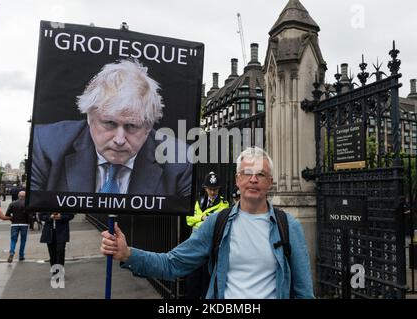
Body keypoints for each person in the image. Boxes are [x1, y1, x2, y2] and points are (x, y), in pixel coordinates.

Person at [100, 147, 314, 299]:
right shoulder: (217, 223)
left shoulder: (289, 227)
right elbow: (173, 264)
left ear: (270, 182)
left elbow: (304, 291)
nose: (253, 179)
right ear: (238, 179)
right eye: (247, 173)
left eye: (261, 174)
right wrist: (128, 253)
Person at [31, 58, 191, 197]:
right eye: (109, 123)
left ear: (148, 127)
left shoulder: (180, 160)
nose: (119, 140)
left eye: (131, 126)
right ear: (90, 117)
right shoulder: (46, 144)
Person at [185, 171, 229, 298]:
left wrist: (199, 218)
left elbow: (219, 221)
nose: (213, 192)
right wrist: (202, 217)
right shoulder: (198, 201)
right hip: (195, 243)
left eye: (215, 189)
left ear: (219, 189)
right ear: (205, 188)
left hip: (211, 244)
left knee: (207, 278)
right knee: (193, 277)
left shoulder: (223, 203)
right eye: (210, 189)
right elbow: (188, 220)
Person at [5, 191, 32, 262]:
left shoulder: (12, 203)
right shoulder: (27, 204)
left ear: (18, 196)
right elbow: (30, 216)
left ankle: (11, 252)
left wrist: (12, 219)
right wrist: (30, 223)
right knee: (23, 240)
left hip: (14, 224)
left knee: (13, 239)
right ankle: (21, 255)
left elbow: (7, 214)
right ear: (25, 196)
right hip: (24, 224)